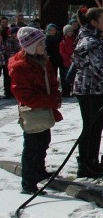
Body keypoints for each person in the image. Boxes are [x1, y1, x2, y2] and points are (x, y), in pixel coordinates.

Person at [8, 27, 63, 195]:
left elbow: (52, 81)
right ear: (31, 47)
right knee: (32, 147)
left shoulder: (43, 61)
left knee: (43, 142)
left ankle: (39, 170)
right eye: (40, 43)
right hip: (33, 111)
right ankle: (28, 183)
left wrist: (56, 94)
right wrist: (49, 100)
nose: (43, 46)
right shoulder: (21, 67)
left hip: (44, 109)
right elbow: (24, 95)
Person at [72, 7, 103, 178]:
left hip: (98, 89)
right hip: (90, 89)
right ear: (93, 22)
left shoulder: (95, 38)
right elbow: (97, 68)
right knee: (90, 127)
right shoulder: (89, 42)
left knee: (96, 127)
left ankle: (92, 160)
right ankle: (85, 163)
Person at [59, 25, 76, 97]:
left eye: (72, 31)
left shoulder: (75, 40)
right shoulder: (63, 41)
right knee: (67, 77)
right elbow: (62, 52)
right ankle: (67, 92)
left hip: (74, 60)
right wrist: (68, 57)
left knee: (74, 77)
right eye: (69, 31)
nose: (71, 32)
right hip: (67, 62)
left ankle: (74, 91)